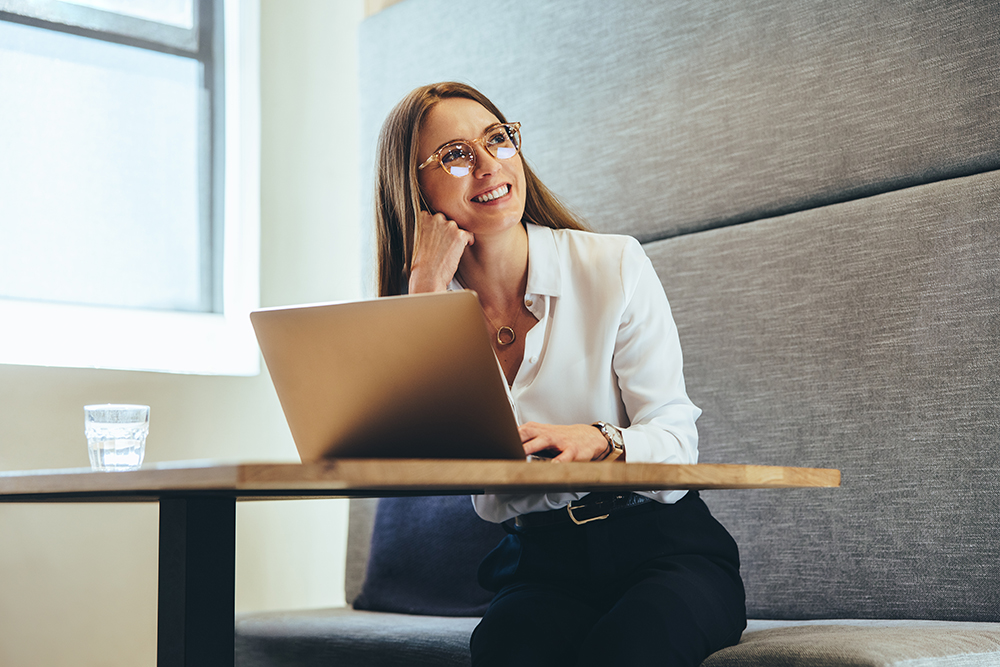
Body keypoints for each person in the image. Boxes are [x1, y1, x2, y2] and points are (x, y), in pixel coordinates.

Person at [374, 81, 746, 667]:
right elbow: (410, 461)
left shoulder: (612, 264)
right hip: (540, 565)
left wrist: (601, 439)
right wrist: (423, 293)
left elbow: (678, 441)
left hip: (665, 549)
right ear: (414, 189)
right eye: (454, 154)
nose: (488, 164)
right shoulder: (424, 312)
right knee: (506, 650)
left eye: (497, 139)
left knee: (628, 650)